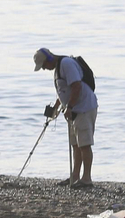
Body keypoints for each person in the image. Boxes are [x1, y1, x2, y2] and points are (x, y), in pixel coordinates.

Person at [34, 47, 98, 187]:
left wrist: (69, 107)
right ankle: (74, 177)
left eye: (44, 65)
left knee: (84, 144)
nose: (44, 69)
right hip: (73, 110)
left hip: (84, 108)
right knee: (75, 144)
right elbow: (64, 90)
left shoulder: (66, 64)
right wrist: (56, 108)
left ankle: (86, 179)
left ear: (49, 59)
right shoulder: (57, 68)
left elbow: (76, 86)